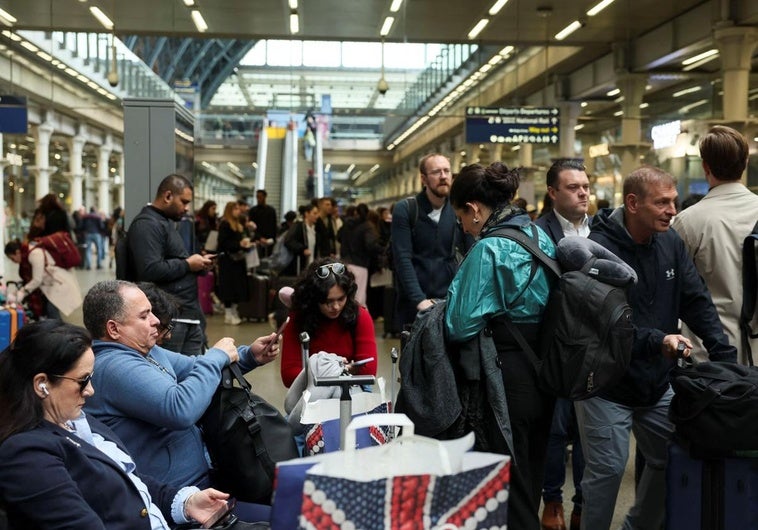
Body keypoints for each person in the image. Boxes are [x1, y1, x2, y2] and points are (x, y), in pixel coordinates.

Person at [581, 165, 737, 530]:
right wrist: (657, 340)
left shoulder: (670, 242)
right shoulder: (598, 249)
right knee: (608, 470)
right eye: (662, 202)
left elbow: (694, 299)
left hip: (657, 381)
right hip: (606, 382)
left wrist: (723, 353)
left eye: (674, 201)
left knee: (671, 455)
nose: (672, 210)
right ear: (633, 203)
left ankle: (637, 526)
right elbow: (603, 324)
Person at [0, 320, 236, 529]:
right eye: (83, 381)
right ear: (42, 384)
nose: (90, 391)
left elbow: (128, 480)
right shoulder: (27, 454)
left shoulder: (75, 421)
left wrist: (184, 502)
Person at [81, 280, 279, 493]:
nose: (156, 320)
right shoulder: (113, 366)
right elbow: (179, 408)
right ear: (113, 328)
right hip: (177, 497)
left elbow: (194, 367)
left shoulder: (144, 351)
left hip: (200, 480)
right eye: (144, 316)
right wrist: (215, 357)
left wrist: (249, 356)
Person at [444, 161, 556, 530]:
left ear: (474, 209)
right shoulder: (541, 236)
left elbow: (459, 325)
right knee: (531, 470)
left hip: (505, 374)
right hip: (544, 368)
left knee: (507, 478)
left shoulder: (489, 249)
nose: (462, 225)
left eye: (461, 215)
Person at [671, 125, 758, 365]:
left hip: (707, 360)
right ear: (746, 162)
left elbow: (673, 287)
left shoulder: (689, 222)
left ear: (705, 166)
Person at [535, 159, 590, 530]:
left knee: (588, 431)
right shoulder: (538, 233)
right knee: (554, 429)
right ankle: (551, 500)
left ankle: (584, 503)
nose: (583, 192)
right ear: (553, 193)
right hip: (554, 346)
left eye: (586, 186)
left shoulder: (602, 231)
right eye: (573, 187)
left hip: (594, 348)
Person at [125, 174, 215, 356]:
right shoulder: (147, 225)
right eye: (184, 202)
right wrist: (188, 264)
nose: (186, 208)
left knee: (192, 372)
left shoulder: (163, 223)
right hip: (171, 318)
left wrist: (196, 265)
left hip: (185, 315)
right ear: (167, 196)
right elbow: (150, 269)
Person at [391, 153, 469, 331]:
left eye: (446, 171)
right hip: (414, 305)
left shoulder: (458, 209)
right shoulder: (407, 209)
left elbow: (470, 252)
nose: (443, 176)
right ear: (423, 179)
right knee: (415, 356)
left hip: (448, 302)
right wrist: (419, 300)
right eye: (436, 172)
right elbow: (402, 258)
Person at [280, 258, 378, 388]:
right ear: (314, 298)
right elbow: (288, 375)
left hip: (351, 395)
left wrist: (317, 371)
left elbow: (369, 371)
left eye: (341, 299)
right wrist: (342, 370)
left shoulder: (360, 316)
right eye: (328, 301)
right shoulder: (298, 319)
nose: (336, 306)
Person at [4, 236, 83, 321]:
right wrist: (19, 291)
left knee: (52, 313)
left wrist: (23, 291)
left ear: (17, 252)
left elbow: (37, 280)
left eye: (12, 258)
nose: (13, 261)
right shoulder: (27, 254)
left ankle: (59, 332)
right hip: (51, 286)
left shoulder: (34, 254)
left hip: (59, 285)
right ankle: (57, 331)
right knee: (51, 314)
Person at [339, 203, 384, 307]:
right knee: (359, 299)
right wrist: (383, 250)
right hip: (360, 265)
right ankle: (360, 322)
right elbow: (371, 245)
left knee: (347, 297)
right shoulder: (367, 226)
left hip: (345, 263)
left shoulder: (346, 224)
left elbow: (338, 237)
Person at [217, 201, 253, 325]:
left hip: (238, 260)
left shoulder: (239, 225)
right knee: (229, 288)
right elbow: (223, 243)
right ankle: (228, 313)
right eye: (236, 209)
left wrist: (246, 245)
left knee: (238, 287)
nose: (238, 211)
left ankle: (234, 311)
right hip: (228, 262)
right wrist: (239, 244)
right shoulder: (225, 224)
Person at [281, 202, 323, 277]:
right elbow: (288, 241)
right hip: (299, 265)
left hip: (311, 266)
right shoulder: (299, 226)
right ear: (307, 214)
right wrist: (302, 249)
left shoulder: (315, 230)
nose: (317, 216)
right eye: (314, 213)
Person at [249, 190, 278, 257]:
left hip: (269, 241)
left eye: (260, 197)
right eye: (257, 197)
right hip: (257, 240)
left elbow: (274, 226)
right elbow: (251, 227)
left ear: (265, 197)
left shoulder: (271, 210)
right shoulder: (253, 210)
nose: (258, 199)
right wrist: (259, 238)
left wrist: (273, 239)